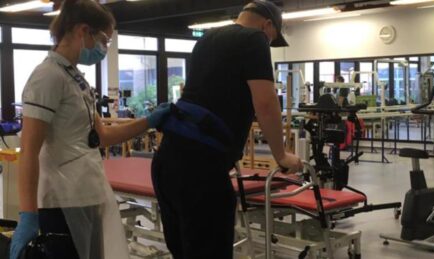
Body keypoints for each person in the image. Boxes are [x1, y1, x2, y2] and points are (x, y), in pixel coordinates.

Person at [9, 1, 170, 259]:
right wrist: (28, 213)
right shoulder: (47, 76)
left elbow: (101, 136)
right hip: (62, 201)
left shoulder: (76, 78)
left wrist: (149, 121)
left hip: (88, 192)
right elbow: (29, 150)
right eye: (104, 40)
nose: (105, 48)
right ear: (83, 31)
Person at [152, 1, 303, 258]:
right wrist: (281, 155)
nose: (268, 43)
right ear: (267, 25)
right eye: (272, 38)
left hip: (167, 162)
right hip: (201, 169)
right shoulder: (254, 38)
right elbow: (265, 103)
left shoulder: (207, 38)